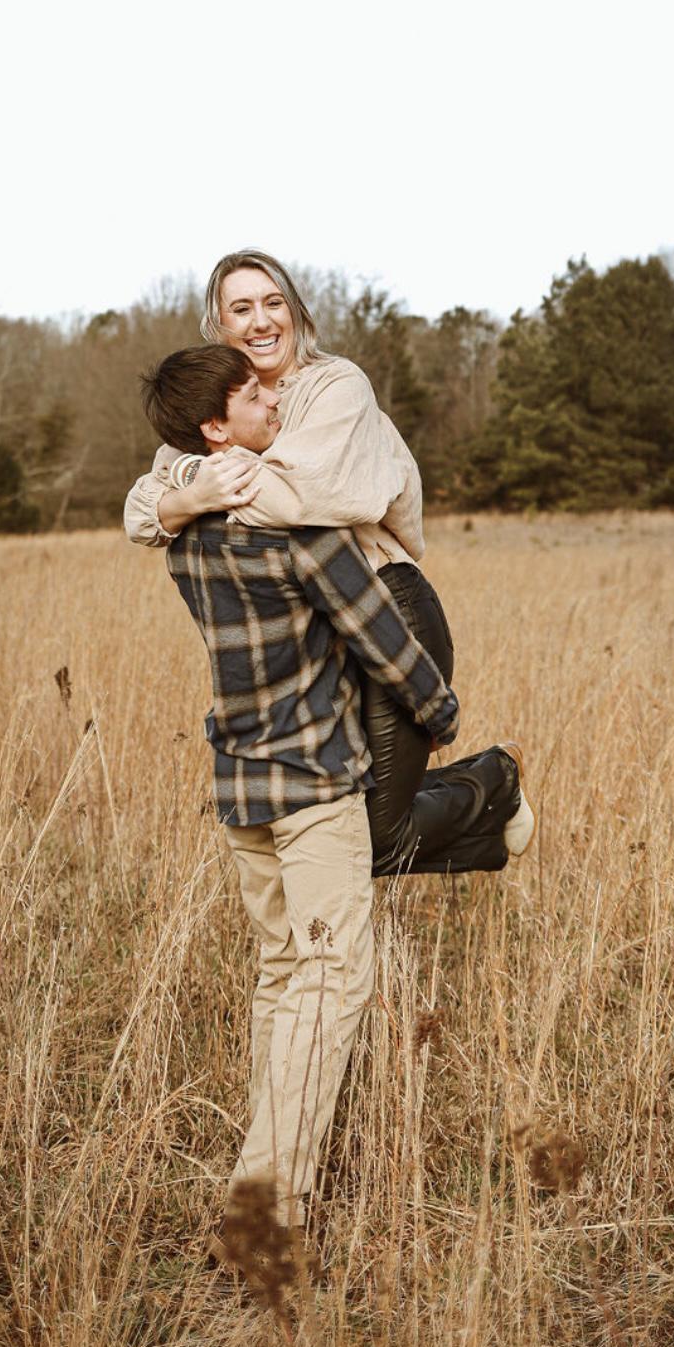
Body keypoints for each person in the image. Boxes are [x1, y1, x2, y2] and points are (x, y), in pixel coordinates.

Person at [137, 343, 524, 1232]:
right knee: (331, 984)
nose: (270, 402)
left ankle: (261, 1170)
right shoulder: (298, 529)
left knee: (283, 974)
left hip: (240, 786)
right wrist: (441, 709)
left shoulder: (184, 536)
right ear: (215, 426)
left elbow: (156, 509)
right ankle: (267, 1206)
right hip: (313, 787)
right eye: (250, 397)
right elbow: (381, 635)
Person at [126, 249, 535, 874]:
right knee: (337, 821)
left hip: (384, 601)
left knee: (366, 838)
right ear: (219, 326)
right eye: (242, 308)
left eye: (273, 302)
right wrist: (191, 490)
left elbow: (300, 498)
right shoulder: (226, 402)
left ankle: (493, 777)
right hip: (313, 628)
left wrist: (200, 487)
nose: (261, 321)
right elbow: (140, 510)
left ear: (295, 311)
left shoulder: (338, 387)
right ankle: (486, 834)